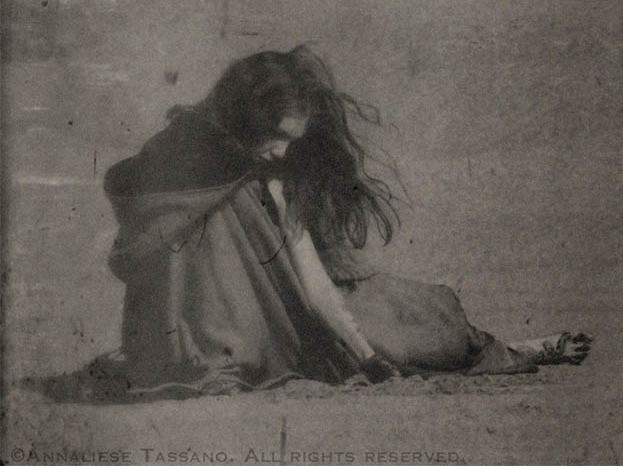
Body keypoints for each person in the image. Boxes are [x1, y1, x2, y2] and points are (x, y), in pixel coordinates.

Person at [104, 45, 591, 396]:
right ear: (246, 117)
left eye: (293, 139)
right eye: (276, 135)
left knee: (414, 336)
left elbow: (313, 282)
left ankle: (527, 349)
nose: (283, 151)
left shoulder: (272, 177)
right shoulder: (178, 156)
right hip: (206, 343)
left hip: (286, 323)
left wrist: (364, 355)